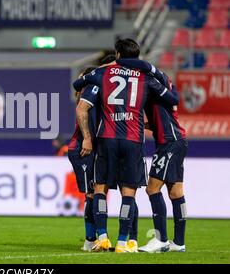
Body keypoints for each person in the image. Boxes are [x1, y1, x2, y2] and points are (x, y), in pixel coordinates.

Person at [72, 38, 179, 253]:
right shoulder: (146, 77)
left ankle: (102, 237)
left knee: (100, 188)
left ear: (118, 55)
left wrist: (107, 67)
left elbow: (77, 85)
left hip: (107, 138)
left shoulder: (103, 74)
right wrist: (152, 70)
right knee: (128, 193)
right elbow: (172, 98)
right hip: (133, 139)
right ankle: (123, 242)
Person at [116, 58, 188, 253]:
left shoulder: (154, 81)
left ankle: (161, 239)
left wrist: (119, 61)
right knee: (176, 192)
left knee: (152, 189)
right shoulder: (163, 84)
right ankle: (179, 242)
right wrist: (150, 125)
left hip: (169, 143)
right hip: (176, 140)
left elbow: (147, 67)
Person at [68, 66, 100, 251]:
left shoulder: (92, 94)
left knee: (97, 192)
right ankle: (90, 239)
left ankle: (97, 235)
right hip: (81, 148)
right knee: (91, 193)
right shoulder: (87, 95)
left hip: (92, 148)